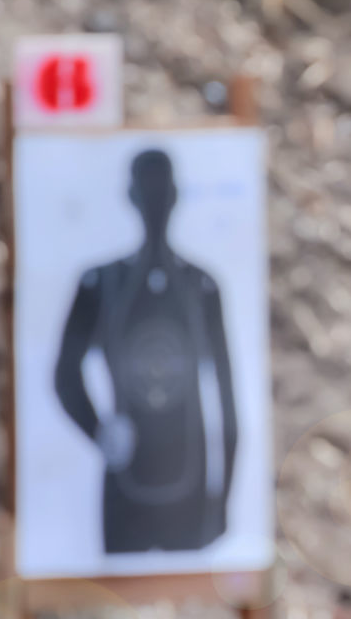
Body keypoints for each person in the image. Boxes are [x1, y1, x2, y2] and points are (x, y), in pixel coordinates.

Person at [55, 149, 239, 555]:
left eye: (161, 191)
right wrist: (99, 430)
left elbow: (227, 399)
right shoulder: (100, 282)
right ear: (133, 196)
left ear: (173, 196)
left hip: (189, 479)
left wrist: (224, 496)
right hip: (127, 482)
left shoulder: (200, 285)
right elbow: (65, 372)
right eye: (147, 190)